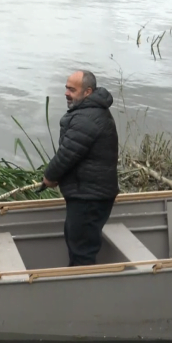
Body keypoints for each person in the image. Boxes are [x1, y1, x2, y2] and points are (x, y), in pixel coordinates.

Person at [42, 70, 119, 266]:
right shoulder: (92, 111)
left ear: (87, 92)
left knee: (82, 252)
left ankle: (82, 292)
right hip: (90, 194)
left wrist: (50, 177)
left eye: (72, 90)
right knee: (78, 244)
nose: (66, 93)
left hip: (89, 198)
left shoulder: (86, 118)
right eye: (66, 88)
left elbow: (67, 154)